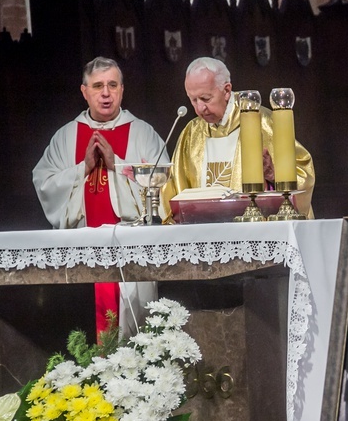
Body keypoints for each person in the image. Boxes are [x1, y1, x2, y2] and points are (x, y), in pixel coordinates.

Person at [32, 56, 164, 338]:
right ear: (84, 91)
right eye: (98, 86)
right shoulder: (66, 137)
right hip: (81, 251)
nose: (106, 93)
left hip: (131, 252)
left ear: (122, 90)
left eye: (112, 85)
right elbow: (44, 182)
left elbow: (163, 184)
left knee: (137, 337)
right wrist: (84, 168)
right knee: (84, 338)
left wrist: (117, 164)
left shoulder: (143, 133)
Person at [161, 57, 315, 219]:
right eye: (193, 100)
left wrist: (274, 176)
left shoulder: (261, 121)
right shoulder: (191, 133)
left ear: (226, 91)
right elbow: (176, 189)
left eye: (206, 98)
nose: (200, 108)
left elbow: (304, 174)